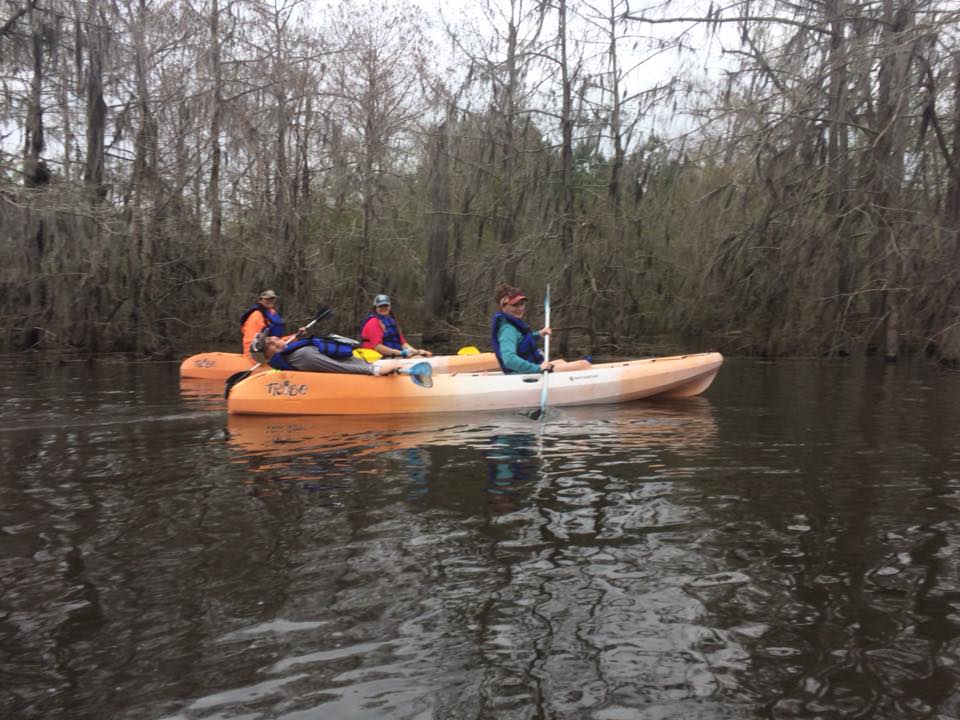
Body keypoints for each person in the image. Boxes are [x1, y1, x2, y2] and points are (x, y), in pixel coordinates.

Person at [490, 284, 591, 374]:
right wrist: (538, 368)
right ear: (503, 306)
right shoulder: (508, 330)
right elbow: (509, 360)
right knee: (584, 364)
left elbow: (521, 343)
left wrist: (538, 334)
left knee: (561, 362)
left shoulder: (512, 324)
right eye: (514, 305)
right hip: (521, 373)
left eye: (521, 304)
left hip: (529, 368)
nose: (520, 308)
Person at [258, 335, 405, 375]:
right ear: (267, 356)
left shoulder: (290, 354)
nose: (274, 339)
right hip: (364, 369)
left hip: (361, 364)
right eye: (269, 344)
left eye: (272, 337)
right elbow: (337, 367)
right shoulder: (301, 356)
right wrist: (373, 370)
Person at [359, 294, 432, 358]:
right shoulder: (373, 322)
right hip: (377, 357)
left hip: (393, 355)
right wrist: (401, 353)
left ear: (390, 307)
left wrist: (417, 352)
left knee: (421, 356)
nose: (384, 308)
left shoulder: (392, 321)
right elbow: (378, 348)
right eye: (380, 306)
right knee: (417, 359)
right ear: (375, 308)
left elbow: (403, 344)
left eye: (386, 305)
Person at [240, 289, 285, 358]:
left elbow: (278, 340)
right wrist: (252, 358)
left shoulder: (272, 313)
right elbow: (250, 341)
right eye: (267, 299)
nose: (270, 301)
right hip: (261, 356)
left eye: (272, 298)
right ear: (260, 300)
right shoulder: (256, 316)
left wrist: (295, 337)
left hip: (273, 353)